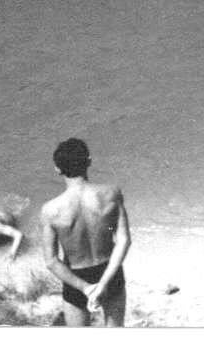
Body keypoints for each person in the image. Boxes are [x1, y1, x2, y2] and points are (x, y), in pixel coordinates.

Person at [40, 138, 131, 326]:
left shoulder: (50, 210)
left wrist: (87, 288)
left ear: (57, 169)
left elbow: (51, 261)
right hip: (110, 270)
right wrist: (104, 283)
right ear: (89, 161)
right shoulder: (111, 194)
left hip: (75, 278)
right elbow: (123, 240)